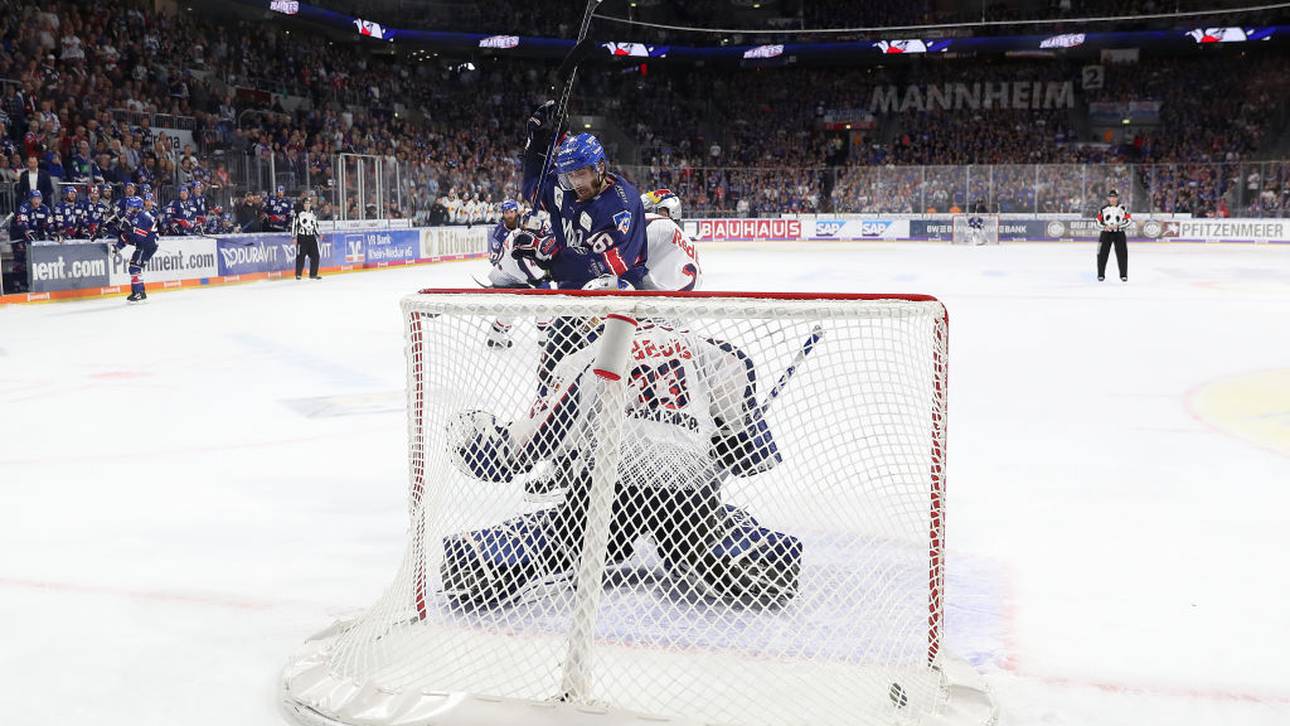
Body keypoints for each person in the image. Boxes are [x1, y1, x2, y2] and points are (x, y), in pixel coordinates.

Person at [441, 316, 799, 612]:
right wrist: (724, 444)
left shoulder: (590, 354)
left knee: (561, 536)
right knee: (705, 532)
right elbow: (751, 455)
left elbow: (541, 436)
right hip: (690, 493)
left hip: (610, 489)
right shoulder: (712, 351)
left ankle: (490, 559)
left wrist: (497, 447)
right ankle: (719, 545)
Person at [516, 102, 648, 290]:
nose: (576, 182)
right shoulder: (566, 188)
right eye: (570, 175)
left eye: (581, 173)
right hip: (570, 290)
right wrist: (536, 145)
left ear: (600, 167)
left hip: (617, 296)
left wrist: (547, 255)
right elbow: (532, 188)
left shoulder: (622, 206)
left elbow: (601, 266)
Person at [483, 200, 550, 348]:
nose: (509, 215)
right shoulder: (502, 233)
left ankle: (495, 337)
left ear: (517, 213)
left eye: (512, 212)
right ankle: (545, 338)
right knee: (542, 299)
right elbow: (495, 258)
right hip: (509, 276)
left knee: (511, 307)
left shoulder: (520, 228)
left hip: (513, 273)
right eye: (506, 212)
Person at [639, 188, 701, 291]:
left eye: (660, 212)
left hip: (654, 291)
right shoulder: (691, 246)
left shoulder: (660, 225)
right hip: (682, 294)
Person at [112, 194, 159, 303]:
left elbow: (139, 237)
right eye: (128, 207)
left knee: (134, 267)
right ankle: (138, 292)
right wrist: (119, 245)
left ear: (138, 207)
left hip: (147, 244)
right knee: (134, 267)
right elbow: (129, 236)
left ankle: (139, 293)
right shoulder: (134, 216)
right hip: (144, 244)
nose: (129, 209)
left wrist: (129, 229)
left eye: (131, 207)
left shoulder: (144, 217)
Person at [1096, 189, 1131, 282]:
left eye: (1114, 197)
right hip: (1106, 233)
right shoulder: (1103, 209)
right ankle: (1101, 274)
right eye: (1111, 197)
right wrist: (1105, 227)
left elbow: (1129, 220)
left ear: (1117, 198)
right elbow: (1098, 221)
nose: (1112, 199)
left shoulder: (1123, 208)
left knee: (1122, 254)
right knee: (1102, 254)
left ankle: (1123, 275)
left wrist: (1119, 226)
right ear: (1108, 198)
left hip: (1119, 233)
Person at [291, 196, 322, 280]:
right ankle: (298, 274)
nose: (307, 205)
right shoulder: (298, 214)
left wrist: (319, 234)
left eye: (308, 203)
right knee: (301, 256)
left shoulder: (313, 214)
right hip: (302, 237)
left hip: (311, 237)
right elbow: (294, 225)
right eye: (306, 203)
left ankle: (313, 274)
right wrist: (294, 237)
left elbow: (315, 225)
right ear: (303, 205)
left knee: (315, 256)